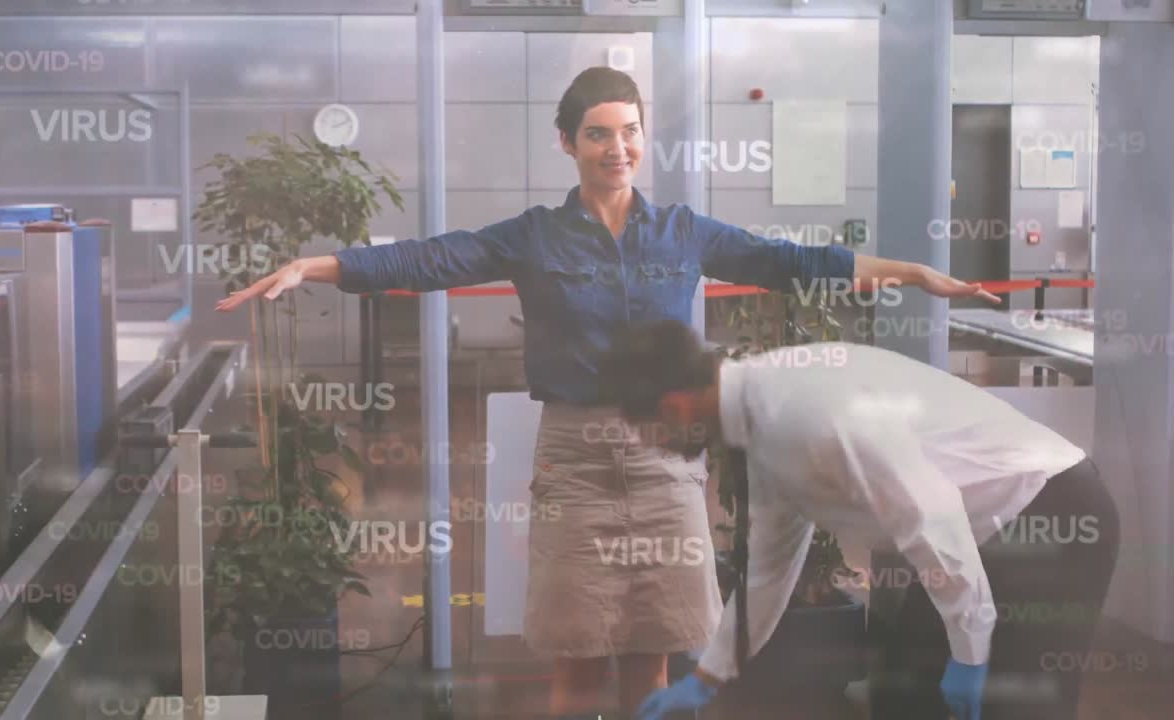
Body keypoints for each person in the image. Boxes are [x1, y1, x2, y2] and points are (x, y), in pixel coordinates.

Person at [216, 67, 997, 718]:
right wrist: (314, 267)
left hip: (668, 464)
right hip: (576, 465)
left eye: (629, 131)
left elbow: (788, 260)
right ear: (567, 143)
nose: (616, 147)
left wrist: (914, 274)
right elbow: (429, 261)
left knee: (652, 658)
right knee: (578, 664)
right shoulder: (534, 236)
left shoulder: (683, 232)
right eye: (597, 132)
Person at [599, 320, 1120, 720]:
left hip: (1049, 511)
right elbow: (767, 573)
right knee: (902, 695)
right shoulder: (760, 423)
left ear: (674, 407)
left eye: (643, 429)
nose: (649, 445)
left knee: (1018, 705)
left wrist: (969, 653)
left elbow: (931, 514)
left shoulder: (804, 412)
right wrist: (708, 677)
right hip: (980, 530)